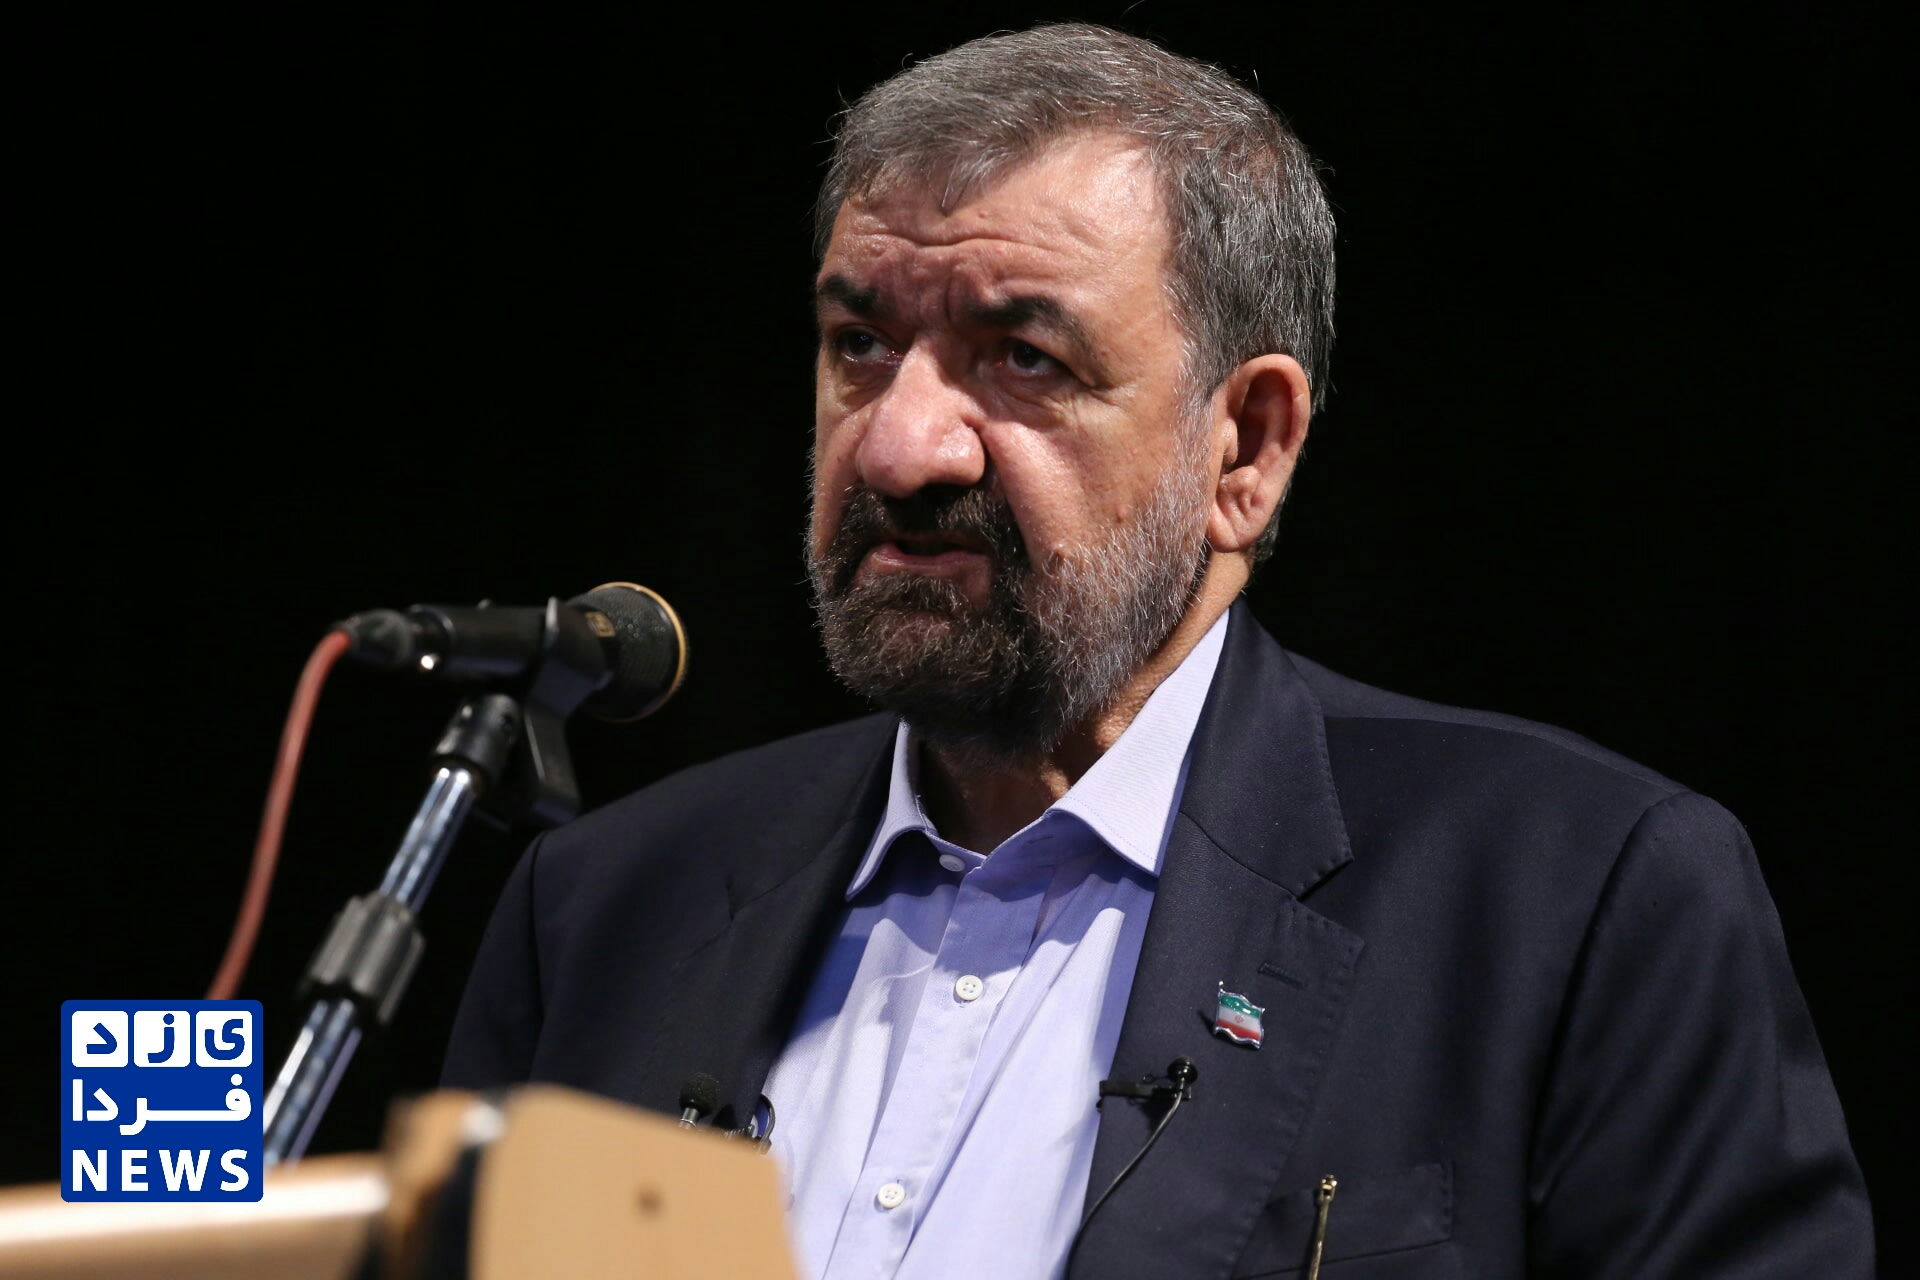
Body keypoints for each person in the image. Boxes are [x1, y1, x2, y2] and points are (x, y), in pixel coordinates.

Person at [442, 23, 1871, 1278]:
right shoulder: (603, 912)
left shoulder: (1576, 899)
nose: (899, 446)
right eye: (859, 344)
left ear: (1244, 449)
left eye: (1024, 359)